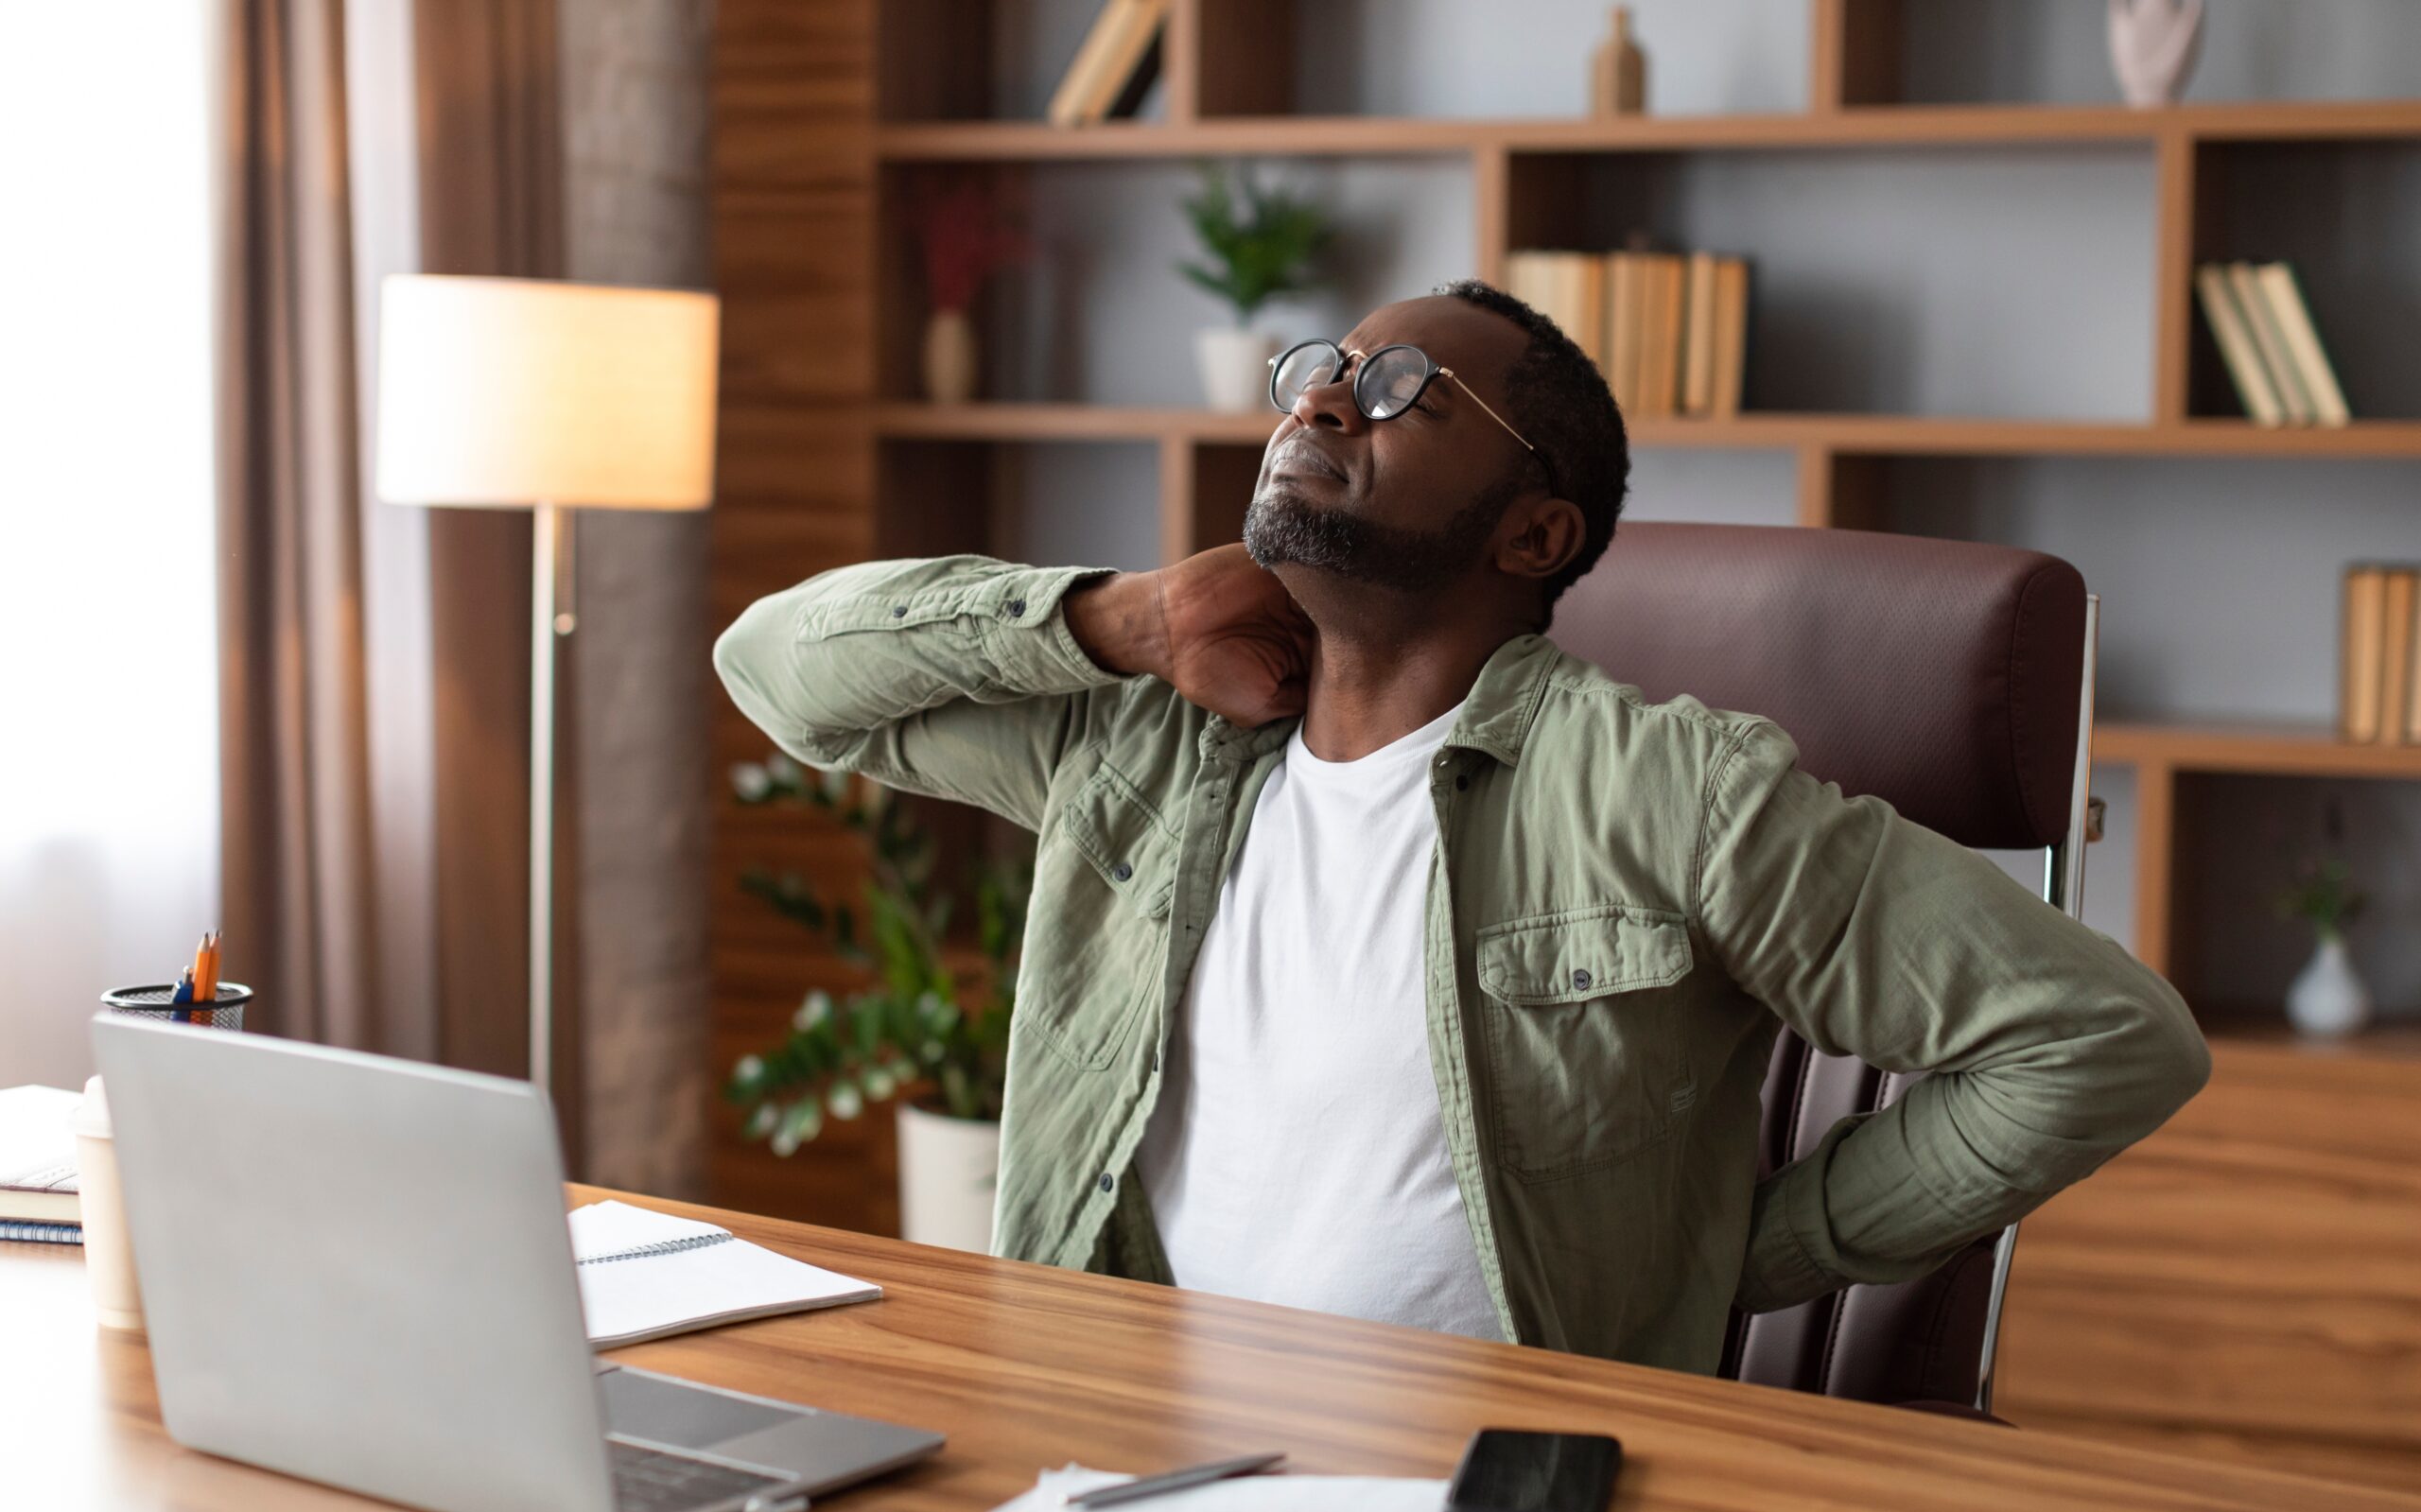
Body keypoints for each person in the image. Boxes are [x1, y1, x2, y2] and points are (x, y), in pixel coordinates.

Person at [715, 280, 2208, 1372]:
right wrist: (1134, 614)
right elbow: (776, 672)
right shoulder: (1144, 733)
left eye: (1395, 389)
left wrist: (1743, 1256)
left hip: (1482, 1511)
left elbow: (2098, 1038)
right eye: (1317, 370)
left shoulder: (1672, 795)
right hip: (1112, 1450)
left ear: (1533, 534)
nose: (1315, 400)